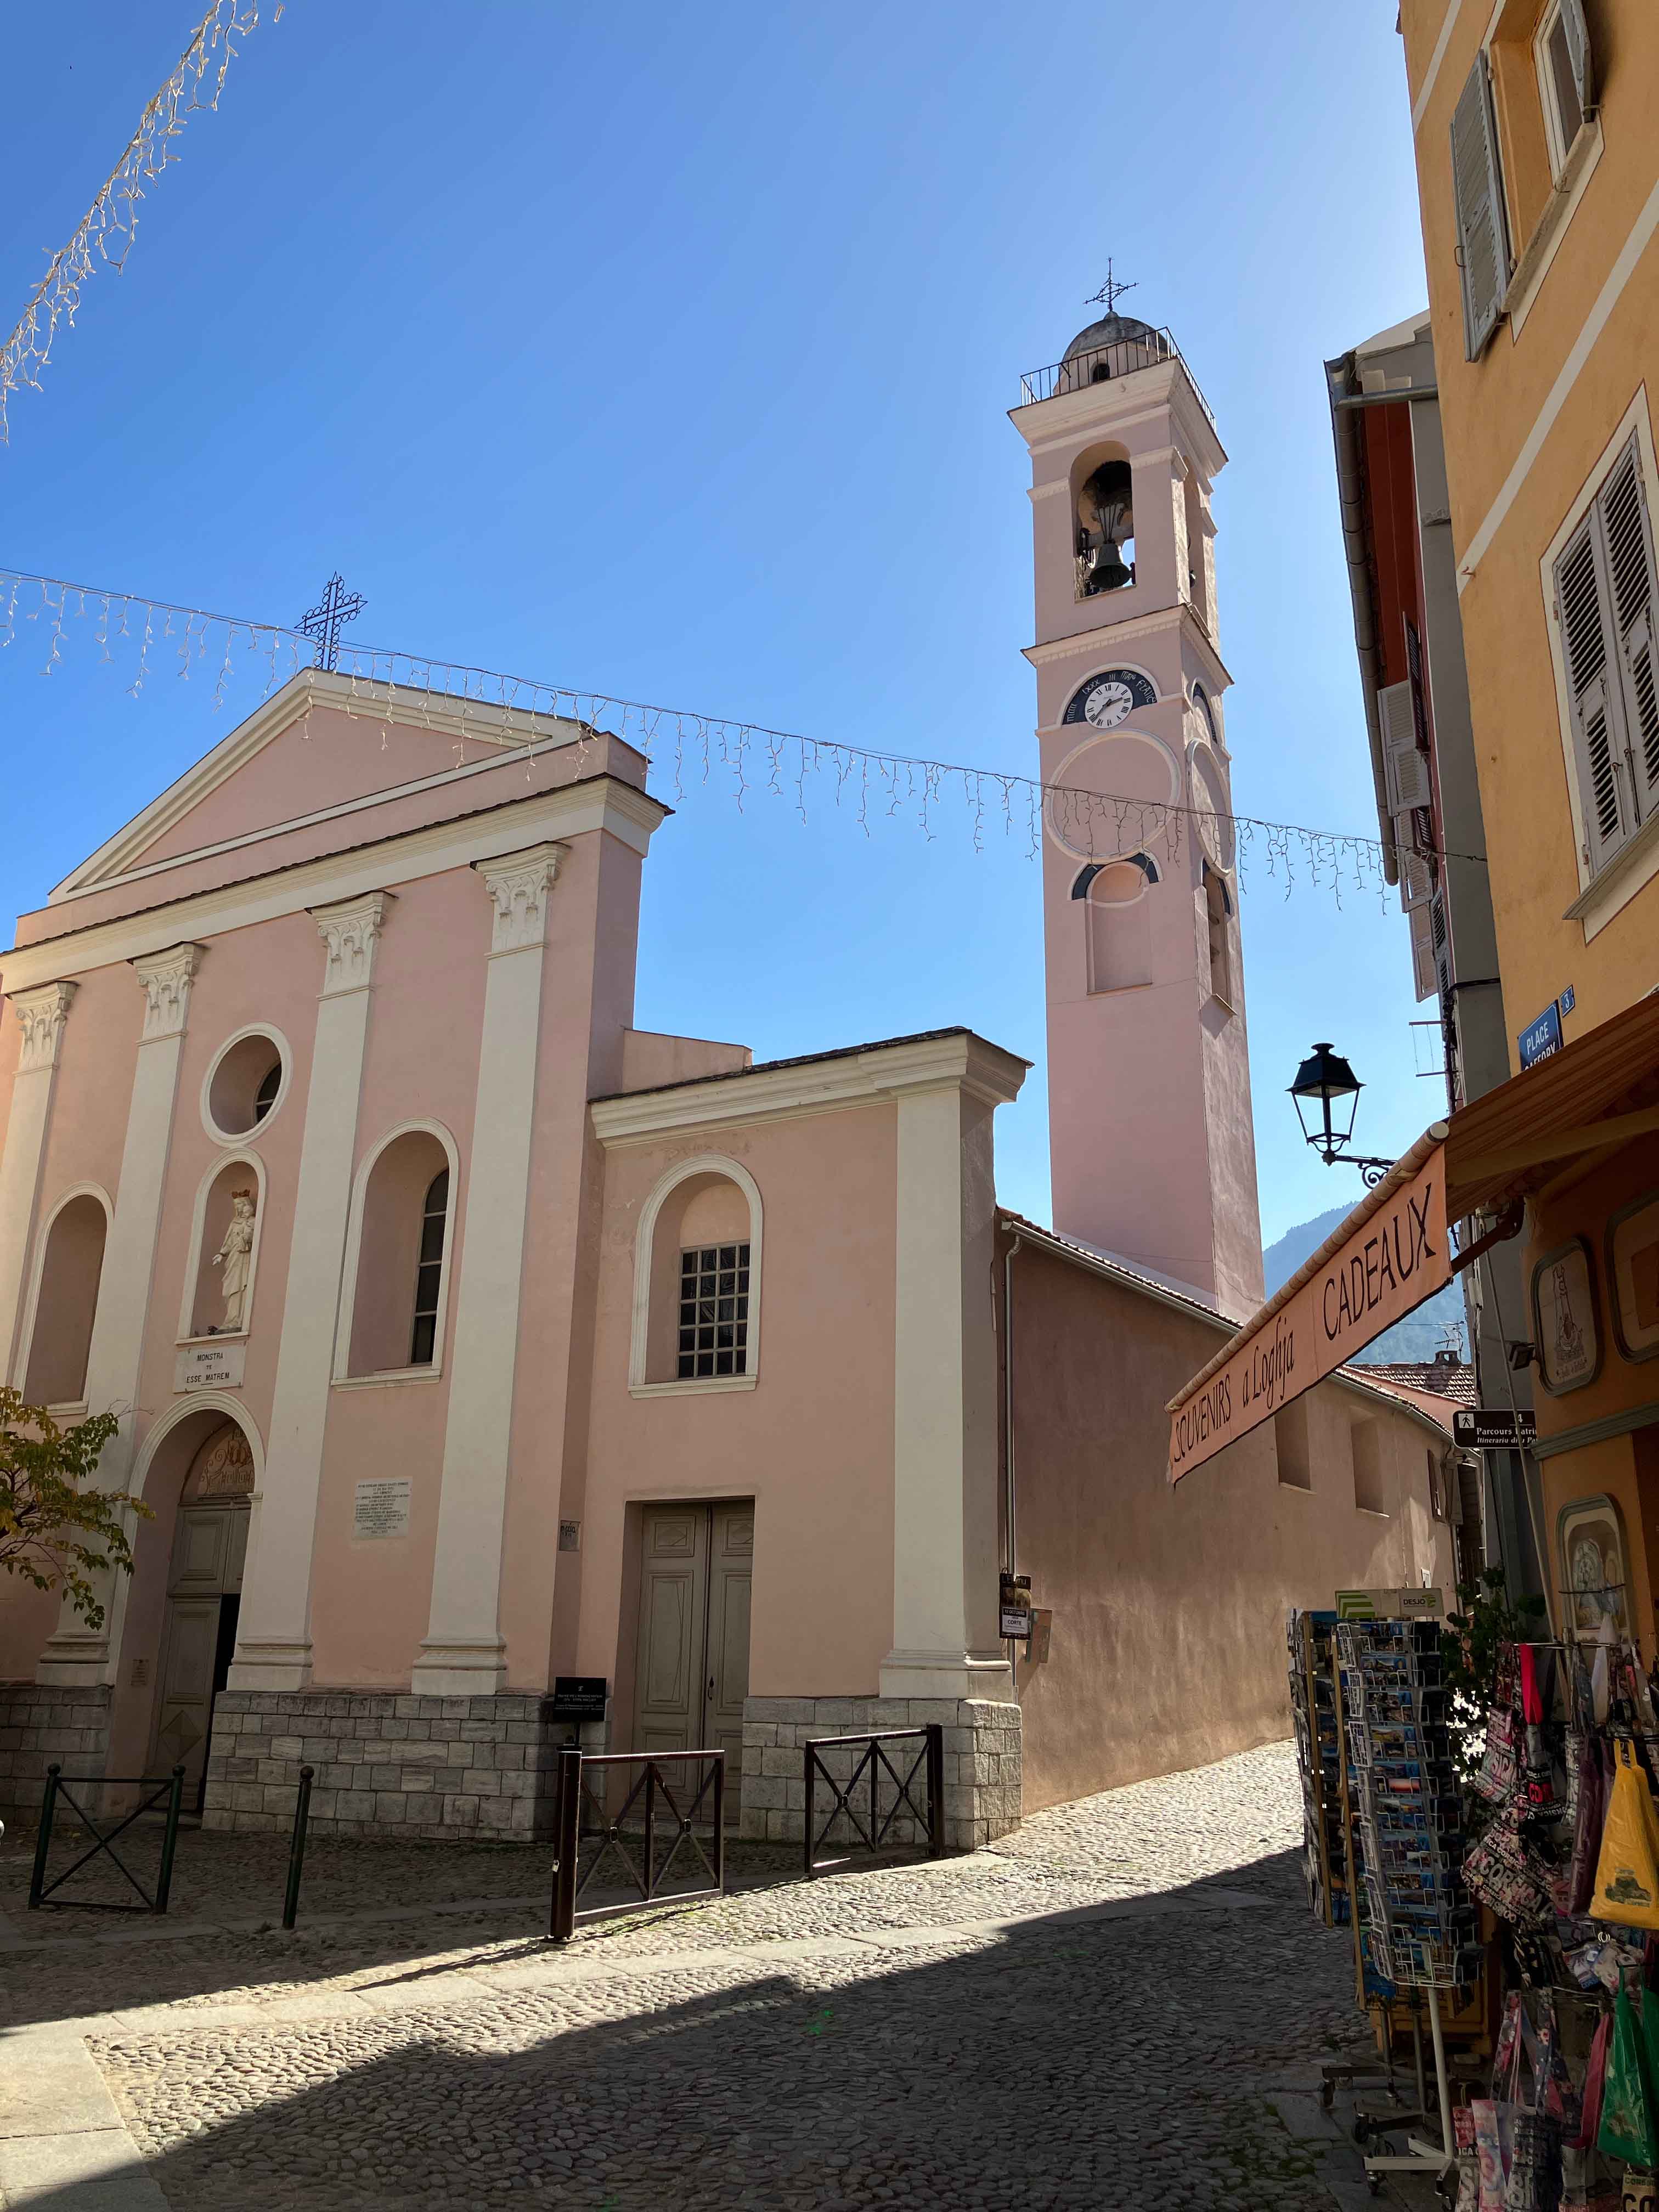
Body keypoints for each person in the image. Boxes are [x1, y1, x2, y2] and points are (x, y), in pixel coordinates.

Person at [211, 1190, 256, 1332]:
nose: (239, 1210)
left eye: (241, 1206)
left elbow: (251, 1236)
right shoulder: (235, 1223)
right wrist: (221, 1254)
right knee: (230, 1288)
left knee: (241, 1286)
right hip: (233, 1259)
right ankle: (231, 1318)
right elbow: (229, 1242)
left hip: (244, 1258)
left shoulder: (252, 1221)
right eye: (237, 1207)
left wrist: (245, 1237)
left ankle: (238, 1318)